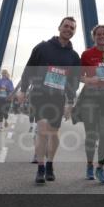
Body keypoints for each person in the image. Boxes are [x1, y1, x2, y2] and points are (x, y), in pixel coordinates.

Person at [17, 17, 82, 184]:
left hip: (58, 98)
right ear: (59, 27)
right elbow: (28, 69)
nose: (68, 29)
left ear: (74, 32)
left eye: (72, 28)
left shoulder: (74, 57)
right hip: (39, 95)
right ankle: (40, 167)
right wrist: (23, 90)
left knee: (53, 133)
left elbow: (74, 82)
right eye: (66, 26)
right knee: (42, 129)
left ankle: (50, 164)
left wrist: (70, 102)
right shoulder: (42, 48)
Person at [76, 24, 104, 184]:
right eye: (98, 34)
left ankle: (100, 168)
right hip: (90, 96)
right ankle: (89, 165)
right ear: (93, 37)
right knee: (91, 135)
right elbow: (79, 76)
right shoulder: (86, 54)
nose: (101, 36)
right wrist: (88, 79)